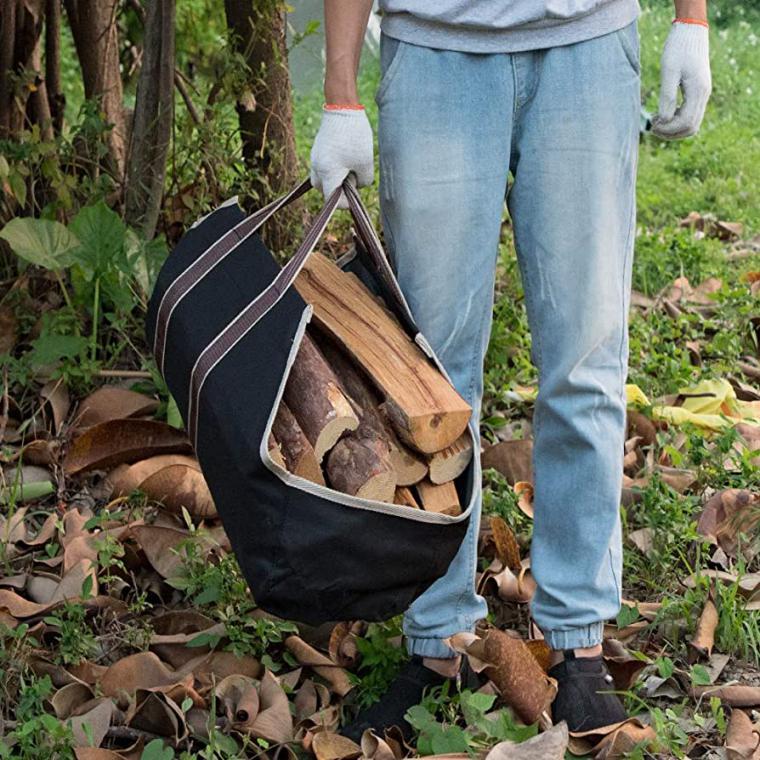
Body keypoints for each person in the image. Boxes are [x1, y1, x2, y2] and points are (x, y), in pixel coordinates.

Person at [309, 0, 711, 736]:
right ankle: (438, 643)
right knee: (430, 380)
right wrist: (340, 93)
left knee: (586, 362)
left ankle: (579, 643)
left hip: (587, 47)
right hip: (434, 54)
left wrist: (693, 20)